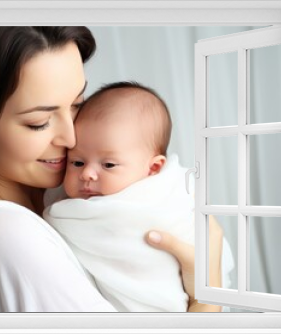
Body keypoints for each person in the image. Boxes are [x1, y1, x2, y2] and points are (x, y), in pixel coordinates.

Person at [0, 26, 223, 312]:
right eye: (39, 122)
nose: (71, 137)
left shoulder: (49, 209)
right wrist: (209, 293)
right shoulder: (3, 233)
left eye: (76, 105)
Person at [44, 81, 233, 312]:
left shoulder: (170, 196)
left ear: (153, 168)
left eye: (109, 164)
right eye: (77, 161)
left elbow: (193, 235)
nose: (87, 174)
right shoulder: (62, 204)